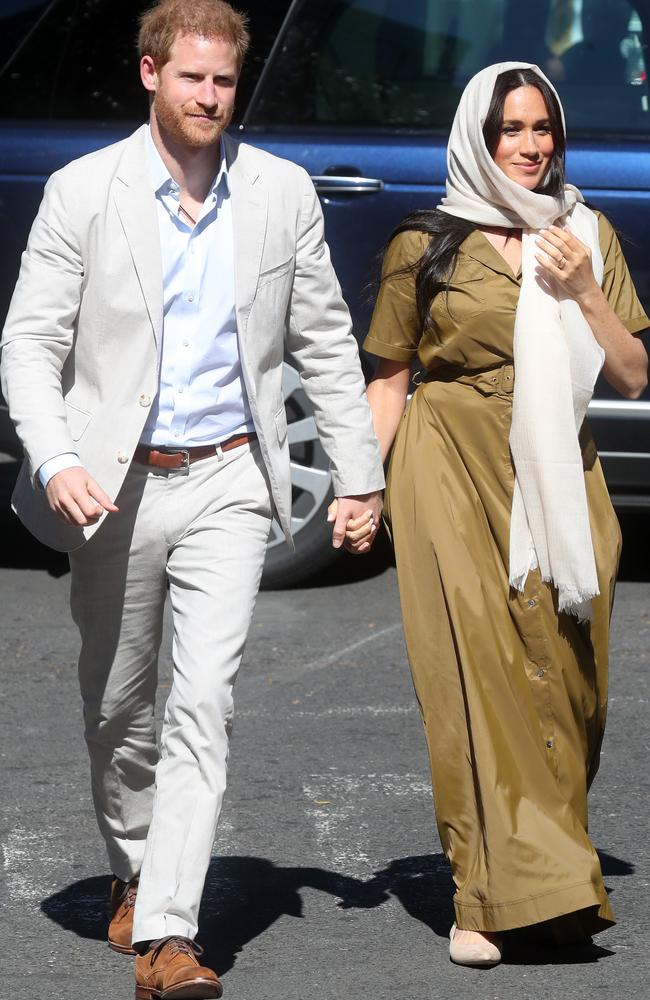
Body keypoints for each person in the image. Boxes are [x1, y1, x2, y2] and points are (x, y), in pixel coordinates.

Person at [1, 1, 383, 995]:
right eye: (191, 78)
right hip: (110, 486)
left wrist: (359, 472)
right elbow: (29, 344)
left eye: (222, 81)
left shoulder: (278, 192)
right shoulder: (84, 191)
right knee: (118, 707)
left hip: (225, 478)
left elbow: (324, 344)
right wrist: (55, 459)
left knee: (200, 706)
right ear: (149, 74)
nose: (209, 96)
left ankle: (172, 931)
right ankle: (134, 861)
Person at [352, 62, 648, 966]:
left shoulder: (587, 232)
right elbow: (392, 377)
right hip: (449, 460)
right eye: (509, 130)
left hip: (558, 466)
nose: (529, 146)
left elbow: (633, 374)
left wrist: (583, 289)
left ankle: (549, 864)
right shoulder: (427, 241)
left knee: (571, 673)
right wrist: (362, 486)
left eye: (542, 129)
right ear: (478, 140)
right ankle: (483, 897)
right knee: (476, 673)